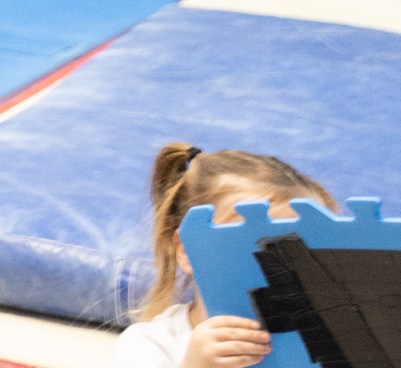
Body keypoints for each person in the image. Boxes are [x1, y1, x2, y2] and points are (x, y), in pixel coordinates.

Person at [112, 142, 333, 367]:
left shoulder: (324, 334)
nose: (274, 268)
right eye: (246, 246)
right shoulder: (149, 345)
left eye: (297, 250)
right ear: (187, 250)